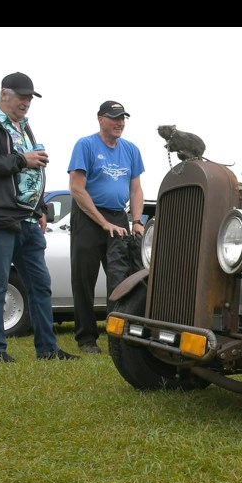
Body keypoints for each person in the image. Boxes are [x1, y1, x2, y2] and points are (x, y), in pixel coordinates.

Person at [0, 72, 79, 362]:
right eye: (21, 96)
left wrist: (39, 208)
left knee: (41, 285)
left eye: (29, 98)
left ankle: (48, 349)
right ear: (4, 94)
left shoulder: (24, 127)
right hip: (0, 218)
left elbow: (31, 174)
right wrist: (21, 160)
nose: (26, 102)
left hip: (28, 220)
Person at [68, 101, 146, 354]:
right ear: (101, 119)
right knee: (84, 279)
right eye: (114, 118)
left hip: (119, 218)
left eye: (123, 118)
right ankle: (86, 338)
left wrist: (136, 221)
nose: (119, 123)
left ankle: (118, 335)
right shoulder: (86, 145)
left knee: (121, 279)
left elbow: (136, 188)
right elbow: (77, 188)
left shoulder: (131, 150)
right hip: (89, 219)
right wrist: (103, 223)